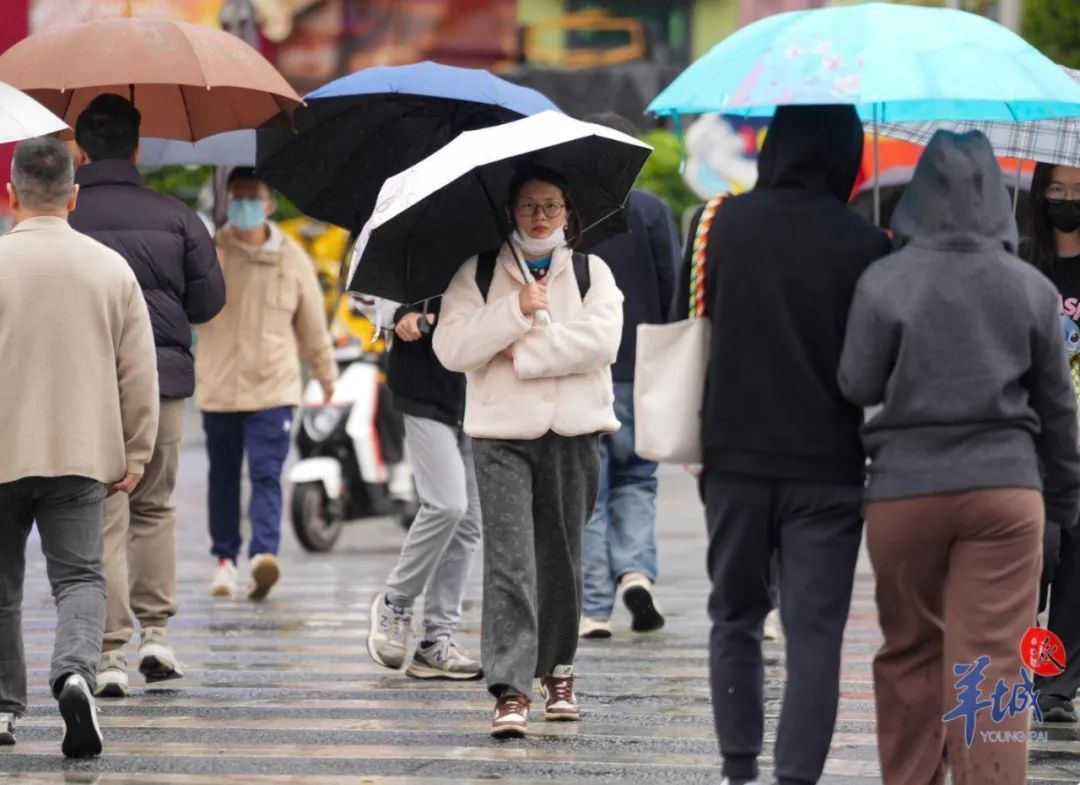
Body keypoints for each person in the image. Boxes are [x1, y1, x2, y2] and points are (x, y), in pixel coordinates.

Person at [839, 130, 1080, 785]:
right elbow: (1058, 408)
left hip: (905, 490)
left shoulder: (885, 280)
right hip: (1005, 490)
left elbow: (857, 383)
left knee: (911, 651)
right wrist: (1062, 500)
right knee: (993, 657)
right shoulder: (1029, 287)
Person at [677, 105, 892, 785]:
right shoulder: (867, 243)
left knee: (735, 616)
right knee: (815, 636)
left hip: (733, 456)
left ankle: (737, 769)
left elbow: (688, 324)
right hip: (830, 465)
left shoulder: (718, 223)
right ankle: (797, 777)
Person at [434, 165, 623, 738]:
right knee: (510, 560)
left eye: (551, 206)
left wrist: (526, 350)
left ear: (568, 211)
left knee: (561, 558)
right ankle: (510, 687)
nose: (541, 217)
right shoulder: (478, 271)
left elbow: (603, 342)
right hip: (500, 434)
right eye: (529, 207)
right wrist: (514, 309)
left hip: (573, 432)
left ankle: (558, 670)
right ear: (510, 212)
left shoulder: (591, 271)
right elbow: (452, 347)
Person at [0, 137, 159, 757]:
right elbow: (138, 371)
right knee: (81, 578)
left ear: (11, 195)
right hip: (81, 452)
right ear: (73, 195)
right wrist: (137, 451)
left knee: (2, 587)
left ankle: (2, 709)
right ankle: (73, 675)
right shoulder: (109, 268)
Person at [70, 94, 225, 697]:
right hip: (162, 382)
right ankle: (156, 633)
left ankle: (109, 651)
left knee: (103, 512)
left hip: (89, 384)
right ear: (137, 149)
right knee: (154, 506)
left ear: (82, 152)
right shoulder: (176, 215)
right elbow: (208, 303)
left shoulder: (67, 219)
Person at [196, 168, 337, 600]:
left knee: (266, 473)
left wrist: (325, 373)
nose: (244, 204)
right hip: (219, 386)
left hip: (273, 386)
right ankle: (224, 560)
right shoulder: (208, 252)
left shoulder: (292, 257)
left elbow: (311, 322)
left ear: (269, 204)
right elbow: (189, 310)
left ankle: (263, 557)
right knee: (222, 478)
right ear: (226, 202)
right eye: (236, 196)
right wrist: (206, 276)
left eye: (252, 196)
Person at [578, 113, 680, 639]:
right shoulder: (653, 210)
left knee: (589, 493)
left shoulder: (570, 215)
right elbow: (673, 290)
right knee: (638, 480)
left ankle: (594, 608)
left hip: (585, 372)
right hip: (643, 372)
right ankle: (636, 573)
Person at [362, 292, 483, 680]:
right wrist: (398, 313)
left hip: (480, 392)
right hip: (423, 383)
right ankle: (396, 602)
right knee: (447, 505)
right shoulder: (408, 253)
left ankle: (436, 641)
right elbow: (367, 290)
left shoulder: (495, 253)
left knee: (468, 523)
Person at [1028, 160, 1080, 723]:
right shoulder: (1022, 265)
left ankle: (1057, 686)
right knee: (1041, 553)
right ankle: (1020, 654)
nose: (1067, 201)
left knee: (1077, 566)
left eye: (1078, 191)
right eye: (1057, 190)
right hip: (1033, 438)